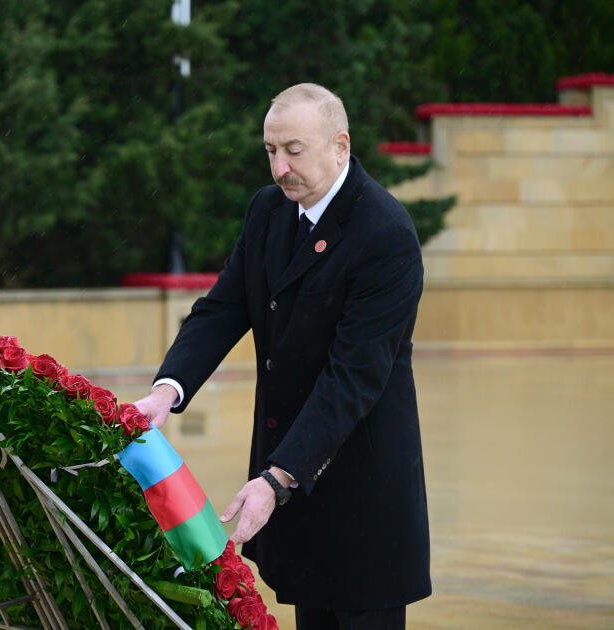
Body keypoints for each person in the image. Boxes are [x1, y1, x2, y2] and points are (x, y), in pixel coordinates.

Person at [133, 83, 431, 629]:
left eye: (294, 150)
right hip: (293, 483)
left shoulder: (385, 232)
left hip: (362, 492)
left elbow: (353, 377)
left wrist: (277, 478)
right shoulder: (269, 210)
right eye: (271, 150)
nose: (279, 167)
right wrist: (166, 391)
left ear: (340, 146)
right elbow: (224, 308)